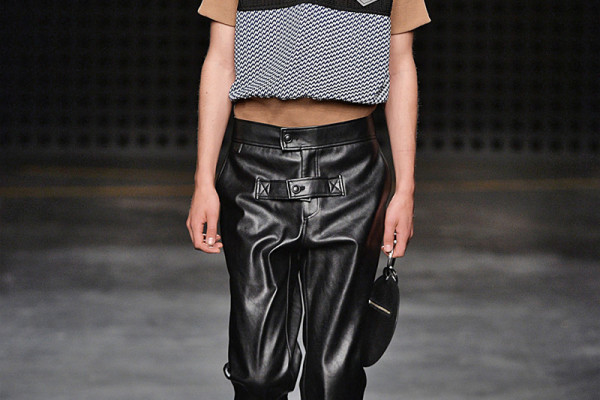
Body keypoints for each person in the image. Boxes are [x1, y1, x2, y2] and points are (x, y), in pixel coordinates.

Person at [187, 1, 430, 399]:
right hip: (255, 169)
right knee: (257, 376)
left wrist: (406, 190)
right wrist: (203, 182)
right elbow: (220, 61)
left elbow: (400, 66)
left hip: (351, 173)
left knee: (335, 377)